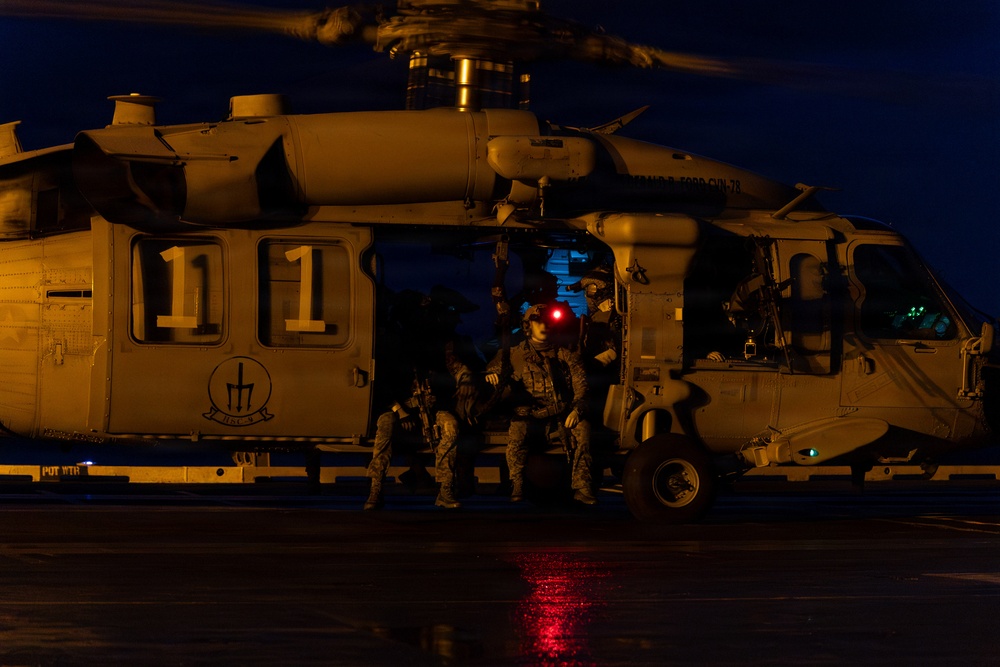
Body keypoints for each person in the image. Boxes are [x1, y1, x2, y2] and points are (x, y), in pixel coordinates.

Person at [364, 287, 480, 511]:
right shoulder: (396, 344)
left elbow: (456, 365)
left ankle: (445, 491)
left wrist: (465, 380)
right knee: (385, 426)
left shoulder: (438, 346)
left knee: (451, 426)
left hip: (433, 408)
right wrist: (400, 410)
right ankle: (375, 489)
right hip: (402, 408)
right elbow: (383, 384)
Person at [485, 303, 597, 505]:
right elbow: (492, 368)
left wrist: (577, 410)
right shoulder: (514, 354)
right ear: (528, 326)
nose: (543, 326)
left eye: (547, 322)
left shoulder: (566, 355)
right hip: (531, 416)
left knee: (584, 429)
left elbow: (583, 388)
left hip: (561, 417)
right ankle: (516, 483)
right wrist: (492, 375)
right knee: (517, 431)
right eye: (538, 323)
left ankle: (582, 487)